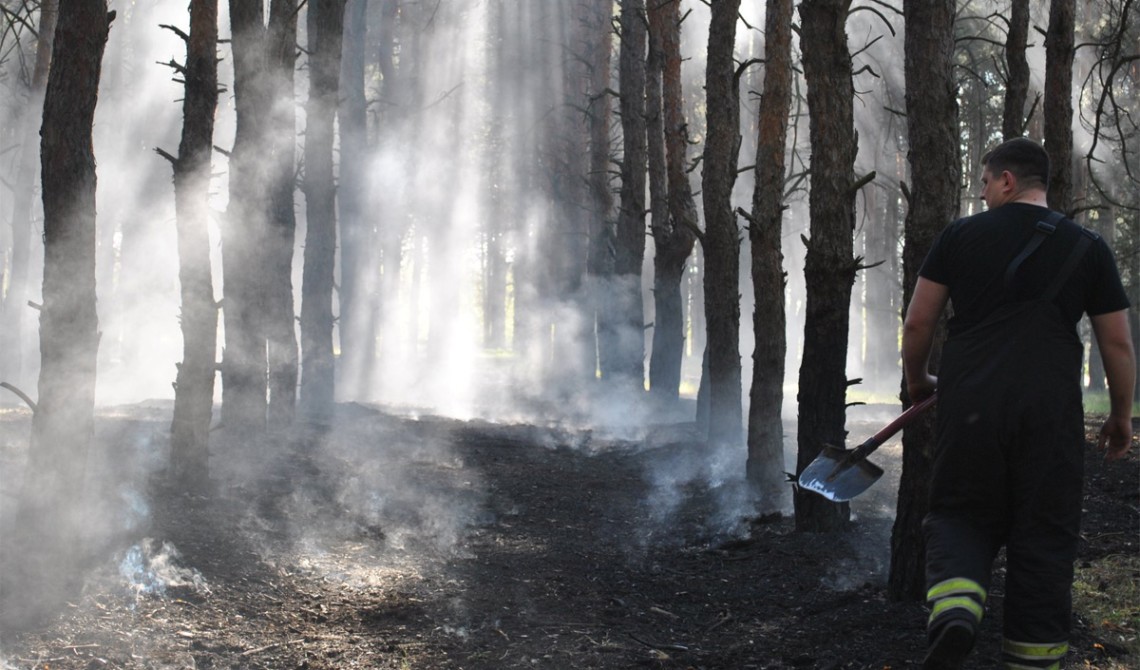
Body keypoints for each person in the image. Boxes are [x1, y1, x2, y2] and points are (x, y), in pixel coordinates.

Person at [902, 137, 1135, 670]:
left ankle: (957, 611)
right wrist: (1121, 415)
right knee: (1043, 537)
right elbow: (1116, 343)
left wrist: (919, 380)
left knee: (960, 514)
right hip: (1049, 412)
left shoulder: (960, 236)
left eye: (985, 183)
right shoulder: (1088, 247)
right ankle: (1033, 660)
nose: (982, 194)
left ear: (1007, 180)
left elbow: (919, 321)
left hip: (971, 406)